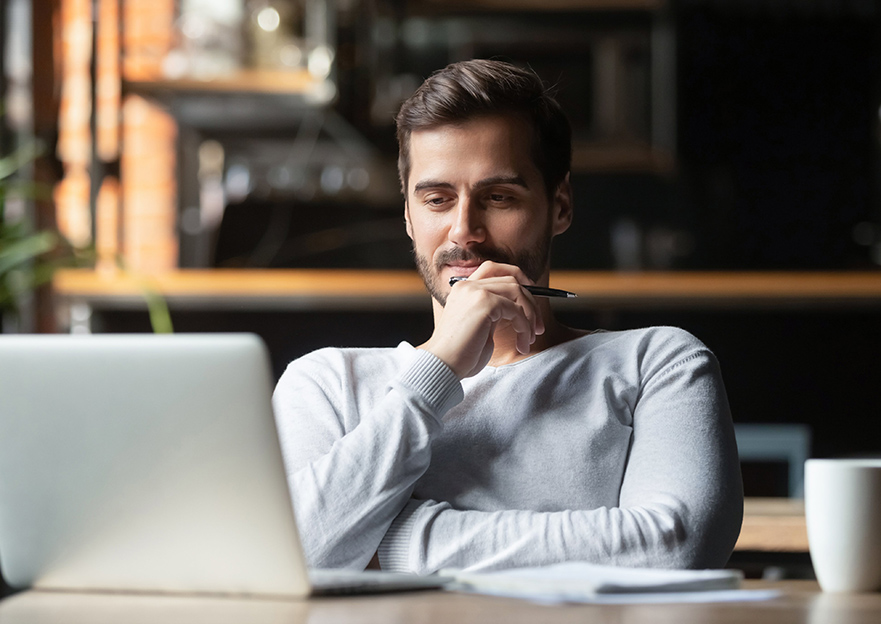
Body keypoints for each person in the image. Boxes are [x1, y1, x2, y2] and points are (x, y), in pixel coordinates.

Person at [272, 59, 743, 574]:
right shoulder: (326, 383)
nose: (463, 231)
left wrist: (388, 541)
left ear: (559, 205)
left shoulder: (659, 363)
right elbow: (290, 557)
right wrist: (438, 368)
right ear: (408, 215)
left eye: (498, 197)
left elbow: (675, 548)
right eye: (437, 199)